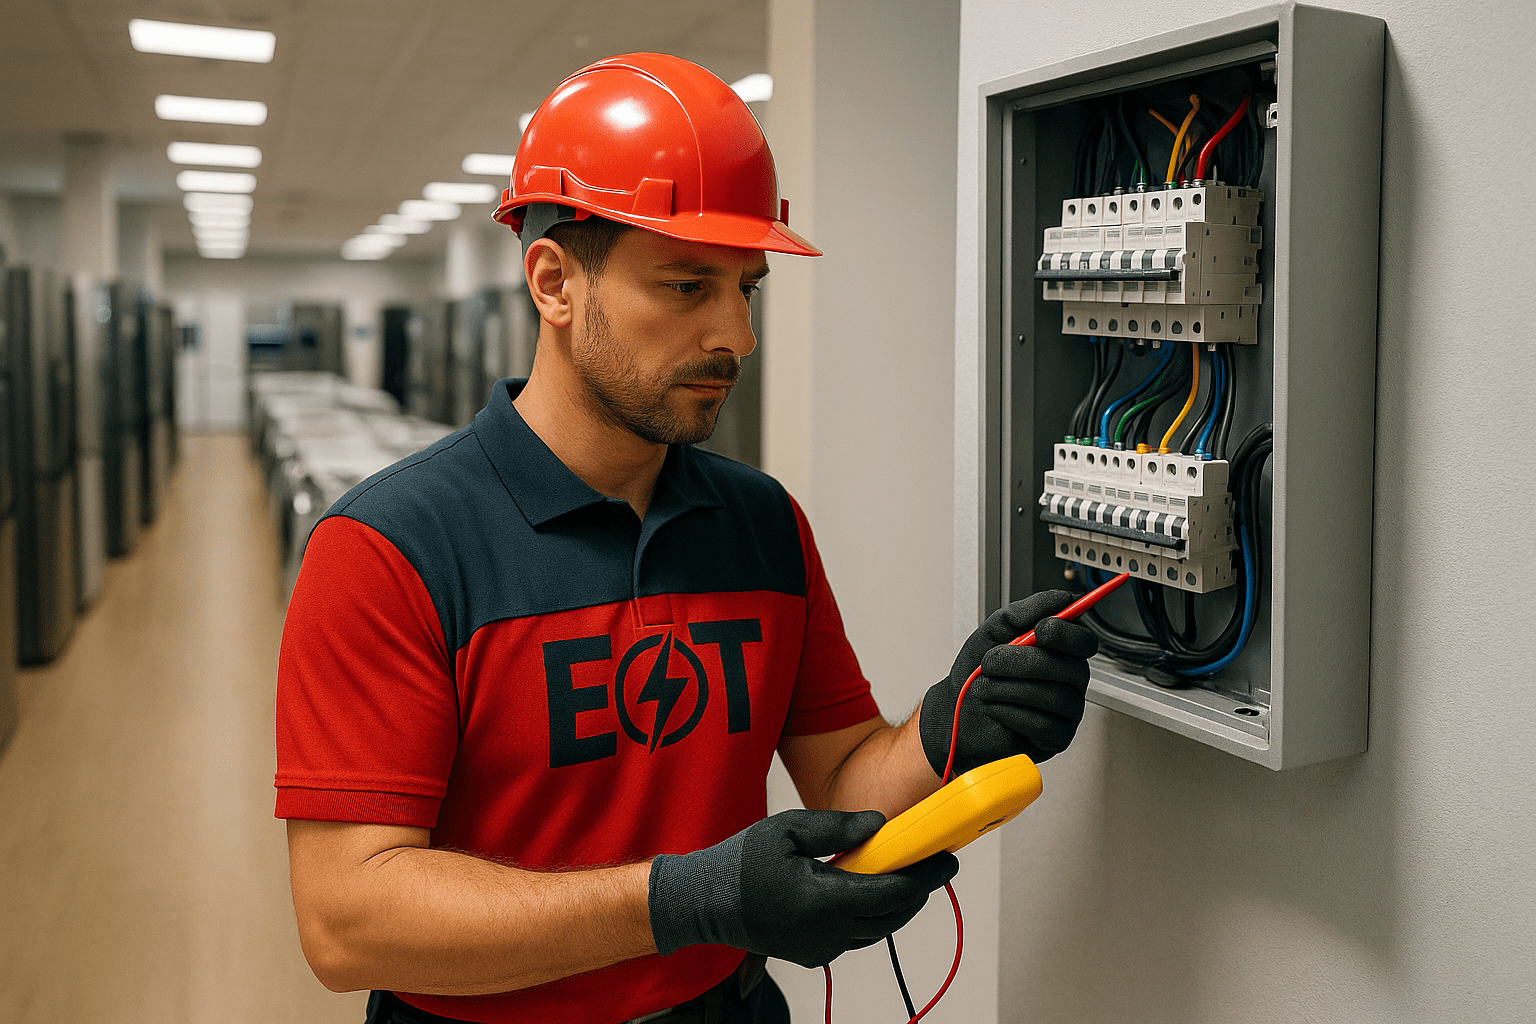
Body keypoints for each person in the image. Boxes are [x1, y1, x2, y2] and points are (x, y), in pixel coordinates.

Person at [276, 53, 1097, 1024]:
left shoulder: (761, 522)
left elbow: (842, 777)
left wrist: (954, 725)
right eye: (685, 285)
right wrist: (689, 900)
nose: (736, 337)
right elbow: (349, 920)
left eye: (746, 288)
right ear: (553, 282)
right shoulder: (391, 546)